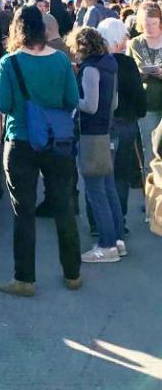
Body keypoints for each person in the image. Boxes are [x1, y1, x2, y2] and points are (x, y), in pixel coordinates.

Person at [0, 5, 81, 296]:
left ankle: (24, 279)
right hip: (57, 142)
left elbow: (3, 106)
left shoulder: (9, 62)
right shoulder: (61, 59)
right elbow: (72, 99)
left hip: (21, 141)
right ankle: (73, 274)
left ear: (17, 30)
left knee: (24, 212)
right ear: (44, 29)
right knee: (63, 207)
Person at [67, 26, 126, 263]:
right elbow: (113, 103)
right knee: (108, 187)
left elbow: (89, 105)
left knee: (95, 191)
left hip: (92, 135)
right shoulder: (110, 64)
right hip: (108, 131)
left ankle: (106, 245)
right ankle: (117, 240)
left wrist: (70, 98)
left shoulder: (91, 68)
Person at [96, 18, 146, 231]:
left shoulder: (93, 62)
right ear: (117, 38)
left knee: (98, 176)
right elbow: (138, 95)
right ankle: (119, 221)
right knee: (121, 176)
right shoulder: (127, 63)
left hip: (99, 126)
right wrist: (140, 113)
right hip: (126, 123)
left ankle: (97, 222)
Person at [126, 2, 162, 180]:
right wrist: (140, 74)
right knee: (149, 148)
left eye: (154, 23)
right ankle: (152, 195)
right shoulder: (135, 43)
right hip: (147, 103)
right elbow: (127, 73)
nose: (150, 28)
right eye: (146, 24)